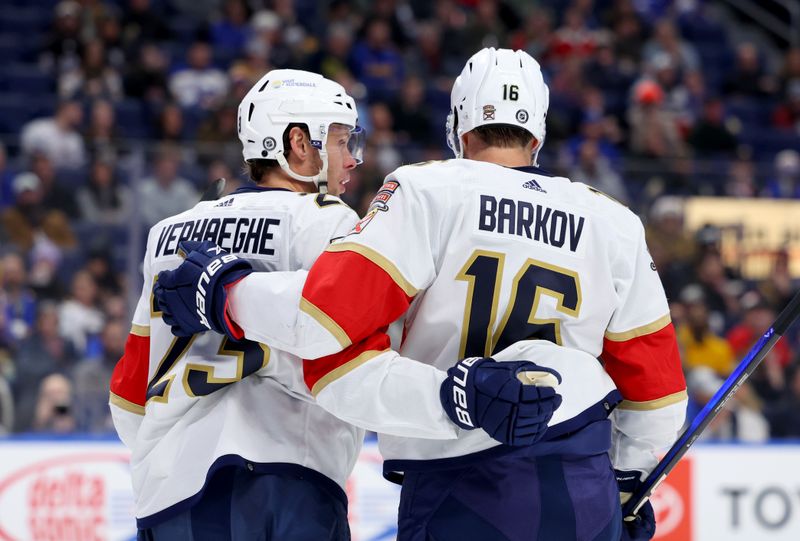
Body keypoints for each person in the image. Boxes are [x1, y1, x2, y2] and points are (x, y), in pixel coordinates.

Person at [156, 49, 687, 540]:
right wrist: (625, 486)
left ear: (458, 126)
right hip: (581, 482)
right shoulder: (613, 221)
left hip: (459, 482)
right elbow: (660, 400)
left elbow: (324, 319)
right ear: (538, 138)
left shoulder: (428, 190)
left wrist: (225, 293)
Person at [109, 69, 369, 540]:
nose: (351, 160)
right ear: (299, 143)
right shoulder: (326, 223)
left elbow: (128, 397)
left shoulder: (169, 231)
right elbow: (354, 362)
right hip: (290, 478)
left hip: (170, 496)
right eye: (340, 141)